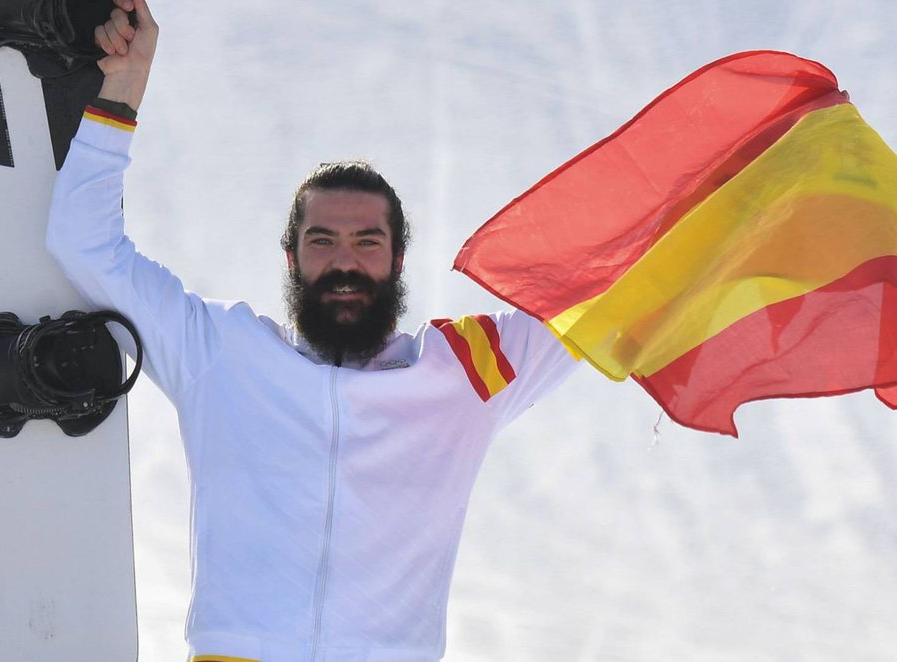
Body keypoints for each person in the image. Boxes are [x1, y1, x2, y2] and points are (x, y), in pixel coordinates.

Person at [46, 0, 577, 659]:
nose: (345, 261)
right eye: (322, 240)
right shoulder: (221, 353)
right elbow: (84, 244)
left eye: (367, 241)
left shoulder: (464, 371)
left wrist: (734, 194)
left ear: (398, 258)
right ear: (292, 256)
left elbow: (612, 292)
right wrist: (126, 81)